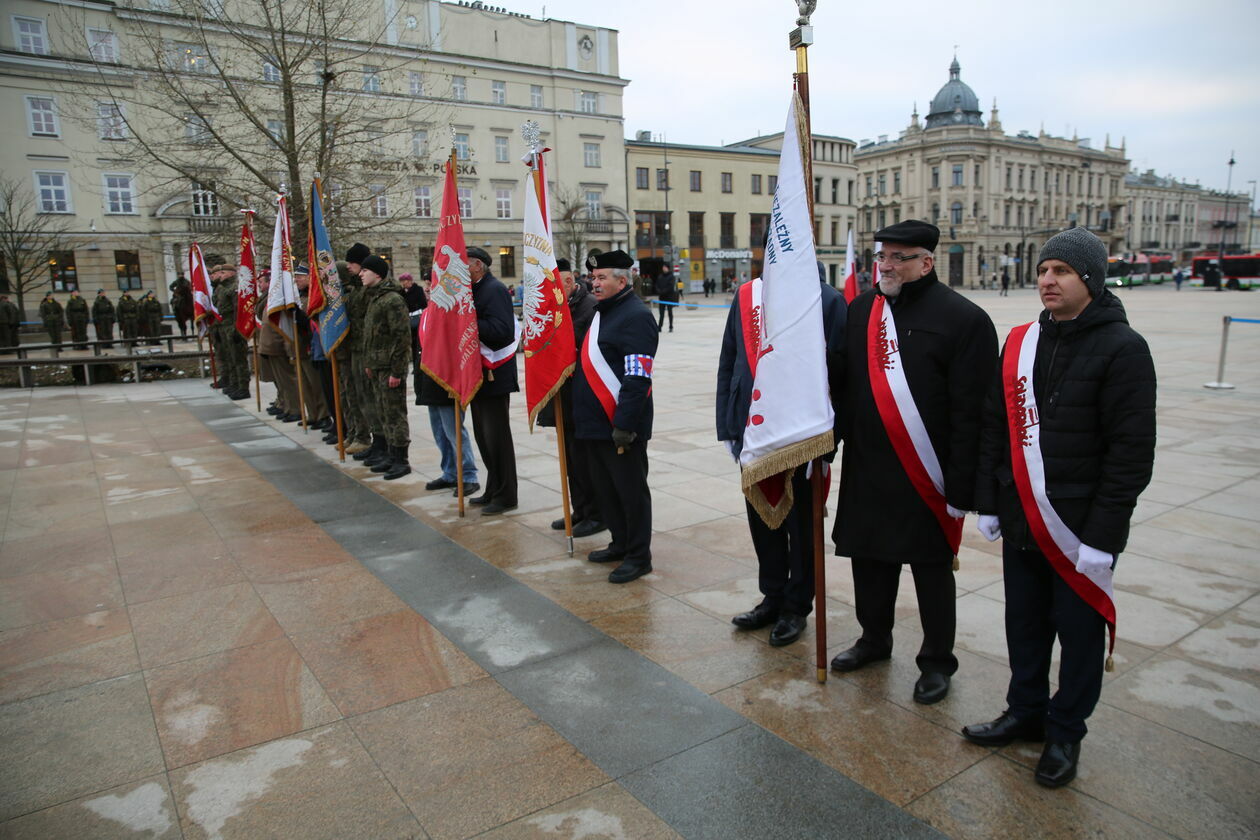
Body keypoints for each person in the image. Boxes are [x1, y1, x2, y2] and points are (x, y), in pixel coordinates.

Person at [963, 228, 1156, 788]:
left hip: (1077, 527)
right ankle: (1024, 712)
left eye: (1062, 271)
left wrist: (1103, 534)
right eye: (1044, 270)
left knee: (1077, 635)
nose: (1047, 280)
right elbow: (995, 426)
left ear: (1090, 280)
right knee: (1023, 624)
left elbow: (1130, 452)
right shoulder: (1022, 341)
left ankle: (1065, 730)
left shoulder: (1124, 349)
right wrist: (989, 499)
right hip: (1022, 513)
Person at [830, 220, 997, 706]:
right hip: (868, 465)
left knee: (931, 571)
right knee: (869, 562)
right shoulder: (862, 310)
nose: (885, 265)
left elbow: (974, 412)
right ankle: (873, 639)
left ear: (927, 261)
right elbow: (845, 383)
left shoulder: (964, 319)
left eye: (899, 257)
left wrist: (967, 488)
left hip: (930, 472)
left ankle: (937, 662)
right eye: (882, 255)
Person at [720, 261, 847, 646]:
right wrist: (727, 425)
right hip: (755, 433)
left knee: (802, 528)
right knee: (762, 520)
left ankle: (796, 607)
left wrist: (830, 441)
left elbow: (841, 371)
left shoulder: (827, 300)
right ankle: (771, 596)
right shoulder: (747, 297)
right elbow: (730, 363)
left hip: (802, 437)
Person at [573, 250, 658, 584]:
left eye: (602, 277)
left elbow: (637, 377)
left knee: (630, 492)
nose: (594, 283)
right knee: (606, 490)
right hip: (594, 425)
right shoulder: (602, 312)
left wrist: (624, 424)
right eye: (593, 278)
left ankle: (639, 556)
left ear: (623, 280)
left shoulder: (636, 316)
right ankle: (620, 544)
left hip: (620, 427)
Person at [538, 257, 603, 538]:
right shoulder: (556, 306)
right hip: (563, 396)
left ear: (567, 281)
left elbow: (575, 345)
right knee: (571, 461)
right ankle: (578, 509)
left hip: (580, 397)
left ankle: (595, 514)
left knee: (585, 462)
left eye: (553, 283)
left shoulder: (587, 307)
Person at [416, 268, 480, 497]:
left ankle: (469, 474)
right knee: (439, 432)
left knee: (454, 431)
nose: (427, 291)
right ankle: (450, 472)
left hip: (447, 382)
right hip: (429, 382)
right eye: (426, 286)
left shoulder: (450, 314)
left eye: (432, 286)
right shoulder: (426, 314)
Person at [467, 246, 520, 515]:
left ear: (477, 265)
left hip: (495, 374)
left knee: (497, 437)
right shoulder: (475, 290)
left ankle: (506, 494)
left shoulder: (494, 289)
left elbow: (502, 331)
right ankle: (493, 487)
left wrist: (467, 322)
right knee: (483, 437)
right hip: (478, 375)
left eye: (464, 263)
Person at [359, 255, 412, 479]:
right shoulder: (374, 298)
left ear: (377, 274)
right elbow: (372, 336)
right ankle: (390, 454)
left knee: (394, 414)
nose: (361, 274)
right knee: (382, 411)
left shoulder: (392, 299)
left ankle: (401, 459)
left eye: (365, 271)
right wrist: (370, 363)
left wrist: (397, 371)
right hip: (378, 365)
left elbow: (401, 337)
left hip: (390, 367)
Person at [211, 265, 250, 400]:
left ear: (231, 273)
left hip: (234, 325)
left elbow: (238, 310)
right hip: (225, 325)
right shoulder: (222, 288)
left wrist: (237, 328)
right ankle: (235, 384)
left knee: (239, 359)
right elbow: (216, 304)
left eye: (223, 272)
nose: (220, 275)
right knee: (231, 357)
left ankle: (243, 387)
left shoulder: (235, 287)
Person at [654, 265, 678, 332]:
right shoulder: (660, 276)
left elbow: (670, 286)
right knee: (661, 313)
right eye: (663, 267)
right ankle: (659, 327)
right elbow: (656, 285)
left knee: (670, 312)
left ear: (668, 268)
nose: (663, 269)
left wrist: (663, 291)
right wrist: (658, 291)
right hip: (662, 298)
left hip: (669, 297)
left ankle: (671, 326)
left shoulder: (671, 276)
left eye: (665, 267)